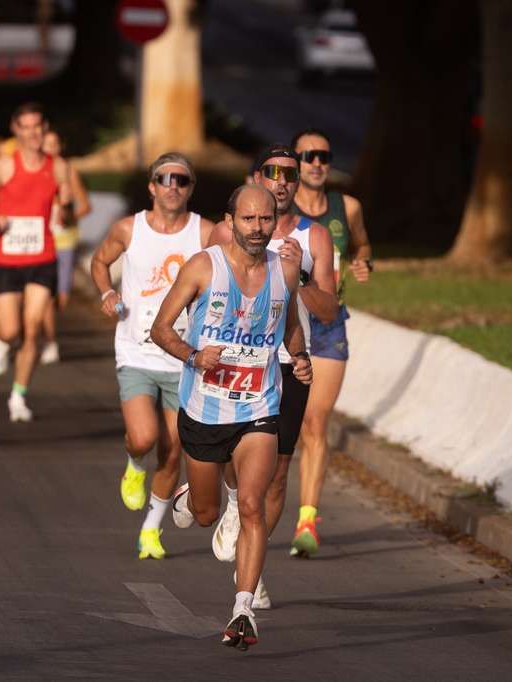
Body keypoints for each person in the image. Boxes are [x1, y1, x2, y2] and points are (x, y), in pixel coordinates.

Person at [151, 184, 311, 650]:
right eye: (248, 220)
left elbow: (293, 328)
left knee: (252, 505)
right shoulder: (205, 266)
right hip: (204, 411)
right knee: (205, 516)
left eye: (266, 220)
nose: (258, 229)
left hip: (260, 406)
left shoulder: (285, 272)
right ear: (231, 220)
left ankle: (243, 609)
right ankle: (189, 495)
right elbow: (161, 329)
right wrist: (195, 356)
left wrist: (299, 358)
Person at [211, 146, 339, 610]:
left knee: (279, 472)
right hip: (237, 358)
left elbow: (328, 310)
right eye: (274, 172)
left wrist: (297, 274)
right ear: (256, 178)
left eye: (290, 173)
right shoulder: (229, 229)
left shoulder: (315, 237)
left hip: (288, 362)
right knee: (229, 452)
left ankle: (254, 572)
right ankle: (232, 502)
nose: (283, 180)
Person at [90, 152, 213, 560]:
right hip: (136, 350)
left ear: (191, 188)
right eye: (165, 178)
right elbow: (99, 261)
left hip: (182, 359)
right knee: (144, 438)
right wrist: (108, 292)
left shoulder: (205, 233)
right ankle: (133, 461)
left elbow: (235, 265)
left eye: (182, 180)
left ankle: (150, 529)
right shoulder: (129, 229)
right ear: (152, 186)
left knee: (175, 446)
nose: (173, 186)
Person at [289, 128, 373, 556]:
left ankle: (307, 519)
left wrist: (363, 264)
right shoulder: (279, 207)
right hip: (285, 324)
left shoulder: (347, 207)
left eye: (324, 155)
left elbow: (360, 246)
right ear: (296, 161)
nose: (317, 163)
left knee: (315, 423)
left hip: (329, 325)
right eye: (308, 156)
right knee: (277, 427)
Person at [0, 102, 71, 422]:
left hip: (42, 257)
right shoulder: (4, 165)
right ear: (16, 130)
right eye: (27, 127)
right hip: (8, 259)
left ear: (44, 128)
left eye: (38, 126)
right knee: (11, 329)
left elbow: (67, 205)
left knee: (32, 330)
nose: (33, 133)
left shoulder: (58, 166)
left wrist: (66, 210)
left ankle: (18, 395)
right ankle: (0, 340)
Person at [40, 128, 91, 365]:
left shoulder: (69, 171)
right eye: (46, 144)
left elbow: (85, 206)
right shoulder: (37, 171)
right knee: (47, 296)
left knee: (61, 297)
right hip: (43, 240)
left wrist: (69, 217)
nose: (50, 148)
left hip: (65, 240)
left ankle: (42, 329)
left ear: (61, 146)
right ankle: (50, 342)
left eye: (54, 144)